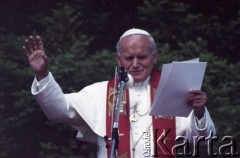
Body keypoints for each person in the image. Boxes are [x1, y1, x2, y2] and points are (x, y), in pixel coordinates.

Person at [22, 28, 215, 157]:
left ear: (154, 57)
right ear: (118, 59)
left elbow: (204, 141)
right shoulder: (99, 92)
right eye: (129, 58)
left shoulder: (177, 89)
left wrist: (199, 113)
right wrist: (42, 74)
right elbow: (59, 111)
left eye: (142, 57)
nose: (136, 64)